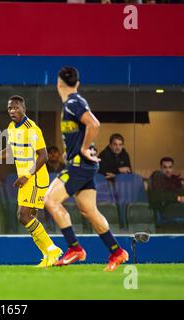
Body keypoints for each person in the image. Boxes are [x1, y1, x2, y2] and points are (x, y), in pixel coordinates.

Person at [44, 66, 128, 272]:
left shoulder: (73, 103)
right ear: (77, 83)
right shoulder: (75, 102)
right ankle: (117, 252)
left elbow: (94, 124)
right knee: (88, 210)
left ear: (58, 83)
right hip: (84, 164)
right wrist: (72, 150)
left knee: (50, 200)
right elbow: (83, 129)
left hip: (79, 165)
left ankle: (75, 248)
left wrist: (82, 149)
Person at [0, 95, 63, 268]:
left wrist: (27, 174)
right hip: (26, 178)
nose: (12, 111)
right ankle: (49, 255)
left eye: (16, 107)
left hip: (35, 177)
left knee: (23, 216)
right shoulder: (11, 127)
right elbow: (10, 151)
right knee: (28, 217)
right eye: (10, 108)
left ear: (24, 109)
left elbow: (44, 156)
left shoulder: (31, 128)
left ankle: (51, 249)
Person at [149, 157, 184, 228]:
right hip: (166, 208)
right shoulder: (157, 176)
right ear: (161, 168)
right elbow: (156, 196)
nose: (167, 170)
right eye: (165, 167)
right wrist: (178, 198)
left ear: (172, 168)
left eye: (170, 167)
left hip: (180, 206)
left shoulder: (175, 181)